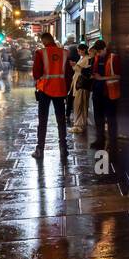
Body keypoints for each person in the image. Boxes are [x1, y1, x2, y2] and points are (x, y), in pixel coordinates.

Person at [33, 31, 72, 161]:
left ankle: (40, 149)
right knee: (61, 120)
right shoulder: (65, 53)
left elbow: (36, 73)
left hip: (45, 90)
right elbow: (68, 74)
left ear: (44, 41)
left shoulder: (40, 53)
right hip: (60, 90)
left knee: (42, 120)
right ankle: (63, 148)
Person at [88, 38, 120, 149]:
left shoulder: (113, 58)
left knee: (111, 119)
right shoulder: (96, 57)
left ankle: (113, 143)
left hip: (109, 93)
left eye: (99, 51)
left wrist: (102, 78)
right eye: (96, 52)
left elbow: (118, 76)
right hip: (97, 93)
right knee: (98, 118)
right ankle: (100, 140)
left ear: (104, 49)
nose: (98, 54)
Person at [70, 42, 92, 134]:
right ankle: (79, 122)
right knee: (78, 103)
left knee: (80, 103)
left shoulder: (87, 59)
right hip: (77, 82)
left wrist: (75, 65)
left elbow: (84, 71)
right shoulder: (82, 58)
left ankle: (80, 123)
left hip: (81, 83)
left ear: (84, 50)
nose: (78, 52)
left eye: (80, 50)